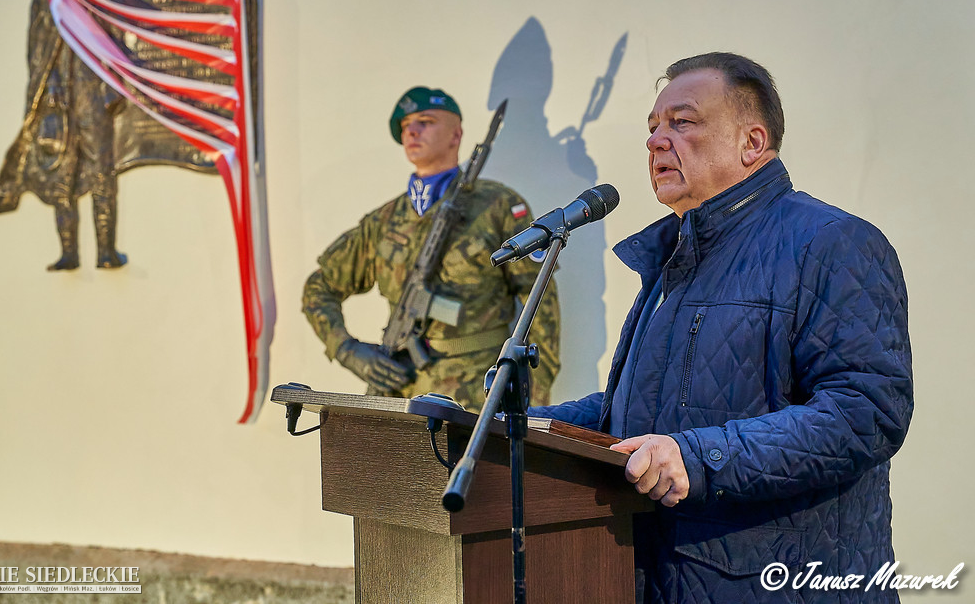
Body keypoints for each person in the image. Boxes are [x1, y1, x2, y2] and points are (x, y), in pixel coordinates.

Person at [529, 53, 913, 603]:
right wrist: (515, 427)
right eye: (654, 127)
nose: (657, 140)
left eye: (682, 122)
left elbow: (865, 414)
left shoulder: (832, 243)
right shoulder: (673, 257)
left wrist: (697, 457)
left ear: (752, 144)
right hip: (659, 577)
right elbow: (637, 413)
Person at [302, 87, 561, 409]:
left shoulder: (497, 205)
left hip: (478, 395)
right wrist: (348, 351)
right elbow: (319, 287)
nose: (412, 131)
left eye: (425, 121)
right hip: (402, 393)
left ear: (456, 134)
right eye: (406, 125)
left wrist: (534, 397)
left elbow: (540, 297)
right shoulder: (383, 220)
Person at [0, 0, 127, 270]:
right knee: (60, 172)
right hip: (59, 92)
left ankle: (107, 251)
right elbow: (38, 40)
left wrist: (114, 84)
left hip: (93, 89)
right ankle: (69, 252)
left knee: (102, 170)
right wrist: (48, 83)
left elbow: (117, 31)